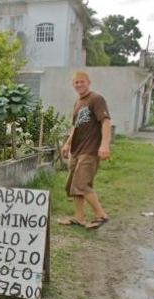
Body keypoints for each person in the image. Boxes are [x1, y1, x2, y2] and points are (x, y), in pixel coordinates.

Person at [59, 71, 111, 230]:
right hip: (77, 150)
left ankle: (100, 214)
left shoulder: (96, 99)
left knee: (81, 184)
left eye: (82, 82)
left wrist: (104, 145)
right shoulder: (78, 102)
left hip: (90, 150)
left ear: (89, 82)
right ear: (73, 85)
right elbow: (76, 127)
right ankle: (79, 217)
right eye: (76, 83)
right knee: (72, 186)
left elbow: (106, 122)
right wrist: (67, 144)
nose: (79, 85)